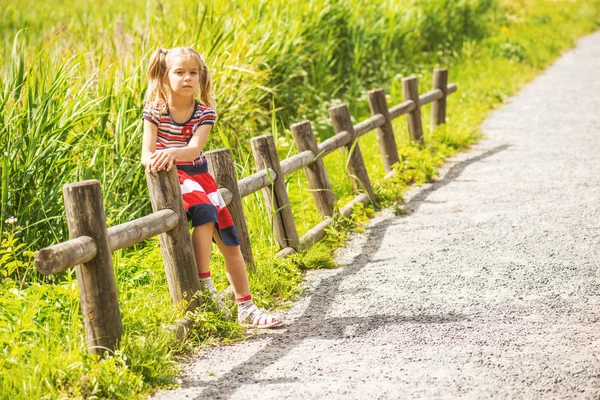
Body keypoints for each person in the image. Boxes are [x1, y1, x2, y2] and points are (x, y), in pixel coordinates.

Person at [141, 47, 282, 329]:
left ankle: (247, 307)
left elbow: (194, 150)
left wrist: (171, 151)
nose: (187, 78)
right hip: (172, 179)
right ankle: (204, 284)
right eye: (179, 72)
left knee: (231, 242)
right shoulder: (154, 111)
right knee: (204, 212)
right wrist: (162, 159)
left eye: (193, 73)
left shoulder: (204, 113)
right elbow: (146, 154)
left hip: (200, 176)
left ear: (201, 77)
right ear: (165, 76)